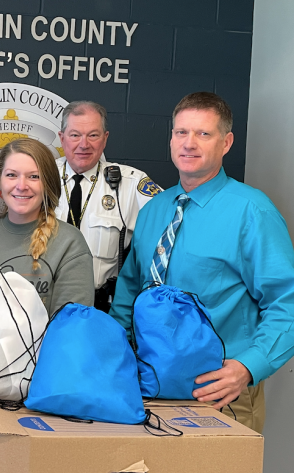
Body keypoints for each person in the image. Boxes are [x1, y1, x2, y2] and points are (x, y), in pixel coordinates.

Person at [109, 92, 294, 433]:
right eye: (181, 132)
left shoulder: (252, 211)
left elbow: (287, 301)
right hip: (148, 389)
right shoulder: (154, 211)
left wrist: (248, 367)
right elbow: (129, 296)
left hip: (220, 394)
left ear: (226, 143)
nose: (189, 143)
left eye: (203, 134)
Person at [0, 138, 94, 315]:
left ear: (48, 184)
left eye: (33, 176)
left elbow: (70, 329)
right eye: (11, 175)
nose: (21, 186)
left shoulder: (69, 243)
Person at [55, 101, 161, 312]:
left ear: (105, 139)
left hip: (100, 309)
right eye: (75, 135)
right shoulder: (37, 177)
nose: (84, 144)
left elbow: (172, 218)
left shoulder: (130, 183)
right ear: (62, 138)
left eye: (93, 135)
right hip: (43, 305)